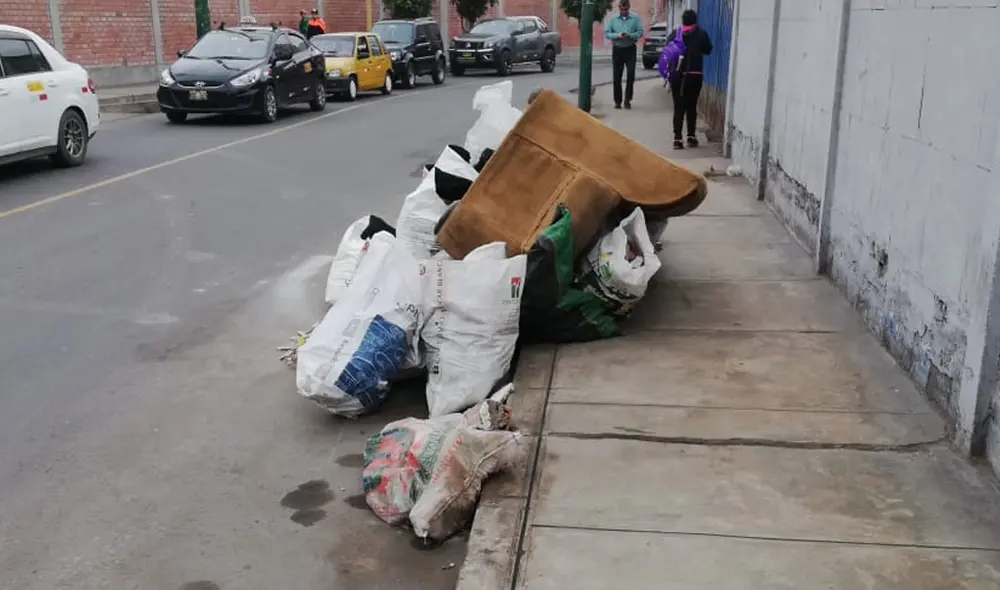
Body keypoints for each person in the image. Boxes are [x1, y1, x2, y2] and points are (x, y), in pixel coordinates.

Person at [666, 9, 712, 149]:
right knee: (691, 106)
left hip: (677, 75)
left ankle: (677, 140)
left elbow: (667, 50)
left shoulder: (675, 33)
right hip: (694, 75)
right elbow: (708, 49)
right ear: (695, 20)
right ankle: (691, 137)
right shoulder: (701, 34)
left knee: (678, 106)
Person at [603, 0, 643, 109]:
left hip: (630, 49)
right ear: (619, 7)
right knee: (617, 76)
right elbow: (607, 34)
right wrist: (617, 35)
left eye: (625, 9)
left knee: (630, 74)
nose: (623, 11)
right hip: (618, 49)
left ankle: (627, 100)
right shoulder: (613, 19)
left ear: (629, 7)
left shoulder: (635, 18)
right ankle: (617, 101)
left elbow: (640, 32)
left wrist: (630, 35)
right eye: (622, 9)